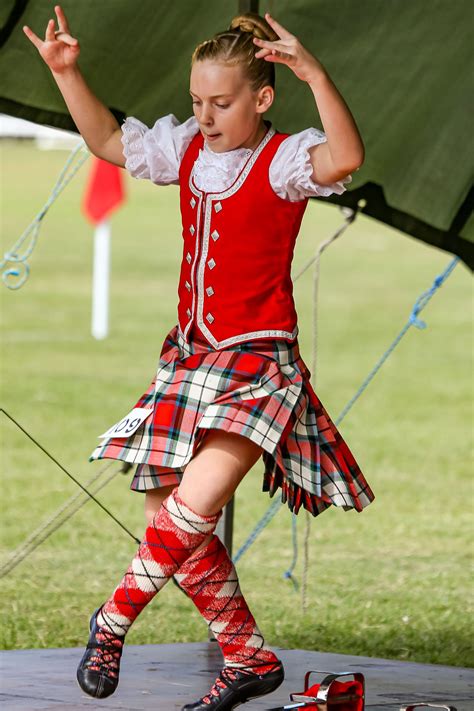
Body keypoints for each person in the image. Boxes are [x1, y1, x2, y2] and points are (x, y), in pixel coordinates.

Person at [23, 5, 375, 709]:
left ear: (262, 97)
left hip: (259, 365)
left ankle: (112, 618)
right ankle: (247, 656)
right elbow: (106, 140)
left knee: (192, 503)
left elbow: (347, 157)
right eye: (196, 102)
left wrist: (313, 71)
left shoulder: (282, 162)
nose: (206, 116)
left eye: (221, 102)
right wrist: (66, 72)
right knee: (168, 513)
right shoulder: (184, 147)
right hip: (188, 362)